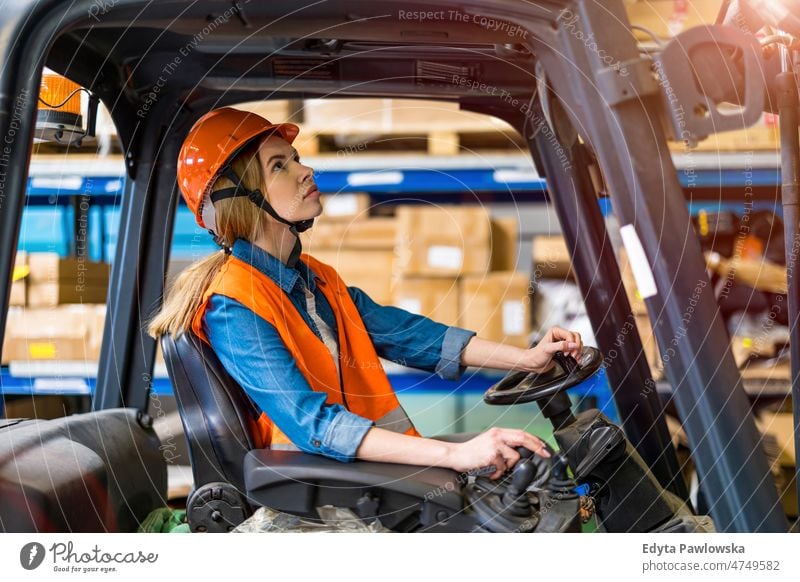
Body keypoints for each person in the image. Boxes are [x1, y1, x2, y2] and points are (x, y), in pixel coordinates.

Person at [148, 107, 583, 480]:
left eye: (296, 159)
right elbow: (311, 424)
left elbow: (413, 336)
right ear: (239, 197)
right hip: (315, 490)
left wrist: (526, 359)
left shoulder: (315, 280)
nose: (305, 171)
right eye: (279, 166)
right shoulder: (234, 304)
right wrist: (456, 455)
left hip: (361, 471)